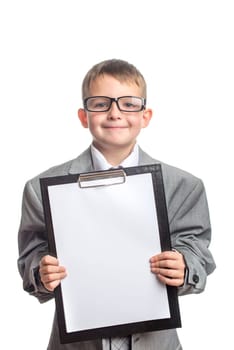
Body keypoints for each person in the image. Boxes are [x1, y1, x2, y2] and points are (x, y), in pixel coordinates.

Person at [18, 58, 216, 350]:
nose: (114, 113)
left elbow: (199, 253)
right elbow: (30, 260)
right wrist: (41, 272)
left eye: (128, 103)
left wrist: (183, 265)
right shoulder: (41, 189)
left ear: (145, 115)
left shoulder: (184, 187)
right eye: (100, 104)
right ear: (84, 116)